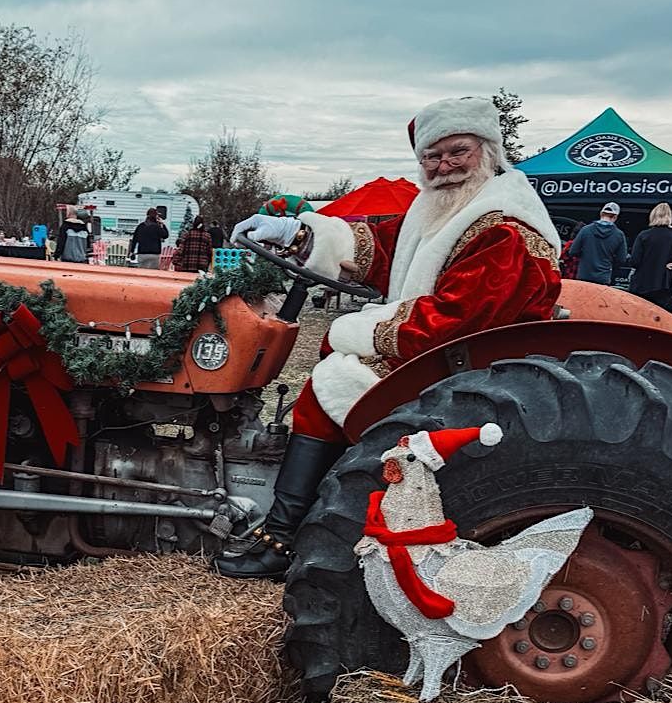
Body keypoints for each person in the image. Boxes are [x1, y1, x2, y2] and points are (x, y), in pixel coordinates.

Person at [214, 96, 561, 580]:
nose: (445, 166)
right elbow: (381, 245)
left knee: (323, 391)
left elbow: (454, 321)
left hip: (466, 363)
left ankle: (283, 537)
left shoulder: (504, 226)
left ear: (487, 149)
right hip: (451, 352)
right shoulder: (443, 209)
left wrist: (350, 330)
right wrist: (299, 233)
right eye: (432, 157)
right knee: (329, 380)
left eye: (457, 152)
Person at [568, 202, 629, 285]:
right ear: (615, 217)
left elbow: (572, 251)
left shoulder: (585, 230)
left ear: (601, 214)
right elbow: (621, 259)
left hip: (583, 276)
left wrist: (586, 255)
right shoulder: (619, 235)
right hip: (603, 278)